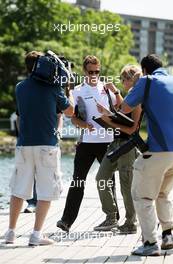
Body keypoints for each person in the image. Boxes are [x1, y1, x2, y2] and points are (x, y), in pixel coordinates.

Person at [4, 51, 74, 246]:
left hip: (24, 145)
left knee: (18, 189)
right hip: (47, 145)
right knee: (45, 191)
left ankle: (10, 232)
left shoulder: (20, 88)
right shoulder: (53, 88)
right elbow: (70, 111)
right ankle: (36, 235)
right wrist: (68, 90)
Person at [56, 55, 122, 232]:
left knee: (108, 182)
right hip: (86, 143)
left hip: (108, 142)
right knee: (78, 181)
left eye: (97, 71)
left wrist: (116, 92)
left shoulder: (107, 88)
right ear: (85, 71)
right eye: (91, 71)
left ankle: (113, 218)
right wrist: (83, 124)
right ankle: (66, 221)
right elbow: (73, 117)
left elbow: (122, 110)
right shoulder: (77, 91)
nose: (94, 74)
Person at [120, 54, 173, 256]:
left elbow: (125, 108)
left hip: (159, 150)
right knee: (162, 193)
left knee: (142, 196)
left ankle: (150, 243)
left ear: (144, 70)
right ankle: (168, 235)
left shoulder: (147, 81)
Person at [94, 65, 142, 233]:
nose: (121, 82)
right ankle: (111, 217)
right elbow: (122, 113)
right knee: (101, 178)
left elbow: (131, 129)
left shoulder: (137, 100)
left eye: (123, 79)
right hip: (114, 144)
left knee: (126, 186)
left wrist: (108, 120)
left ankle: (131, 223)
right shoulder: (130, 97)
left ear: (130, 80)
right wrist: (107, 113)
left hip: (127, 146)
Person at [23, 113, 63, 213]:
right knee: (31, 172)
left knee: (49, 171)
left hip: (49, 140)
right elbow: (19, 116)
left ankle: (55, 188)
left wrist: (58, 131)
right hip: (30, 140)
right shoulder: (25, 97)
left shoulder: (51, 97)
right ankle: (32, 202)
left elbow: (59, 116)